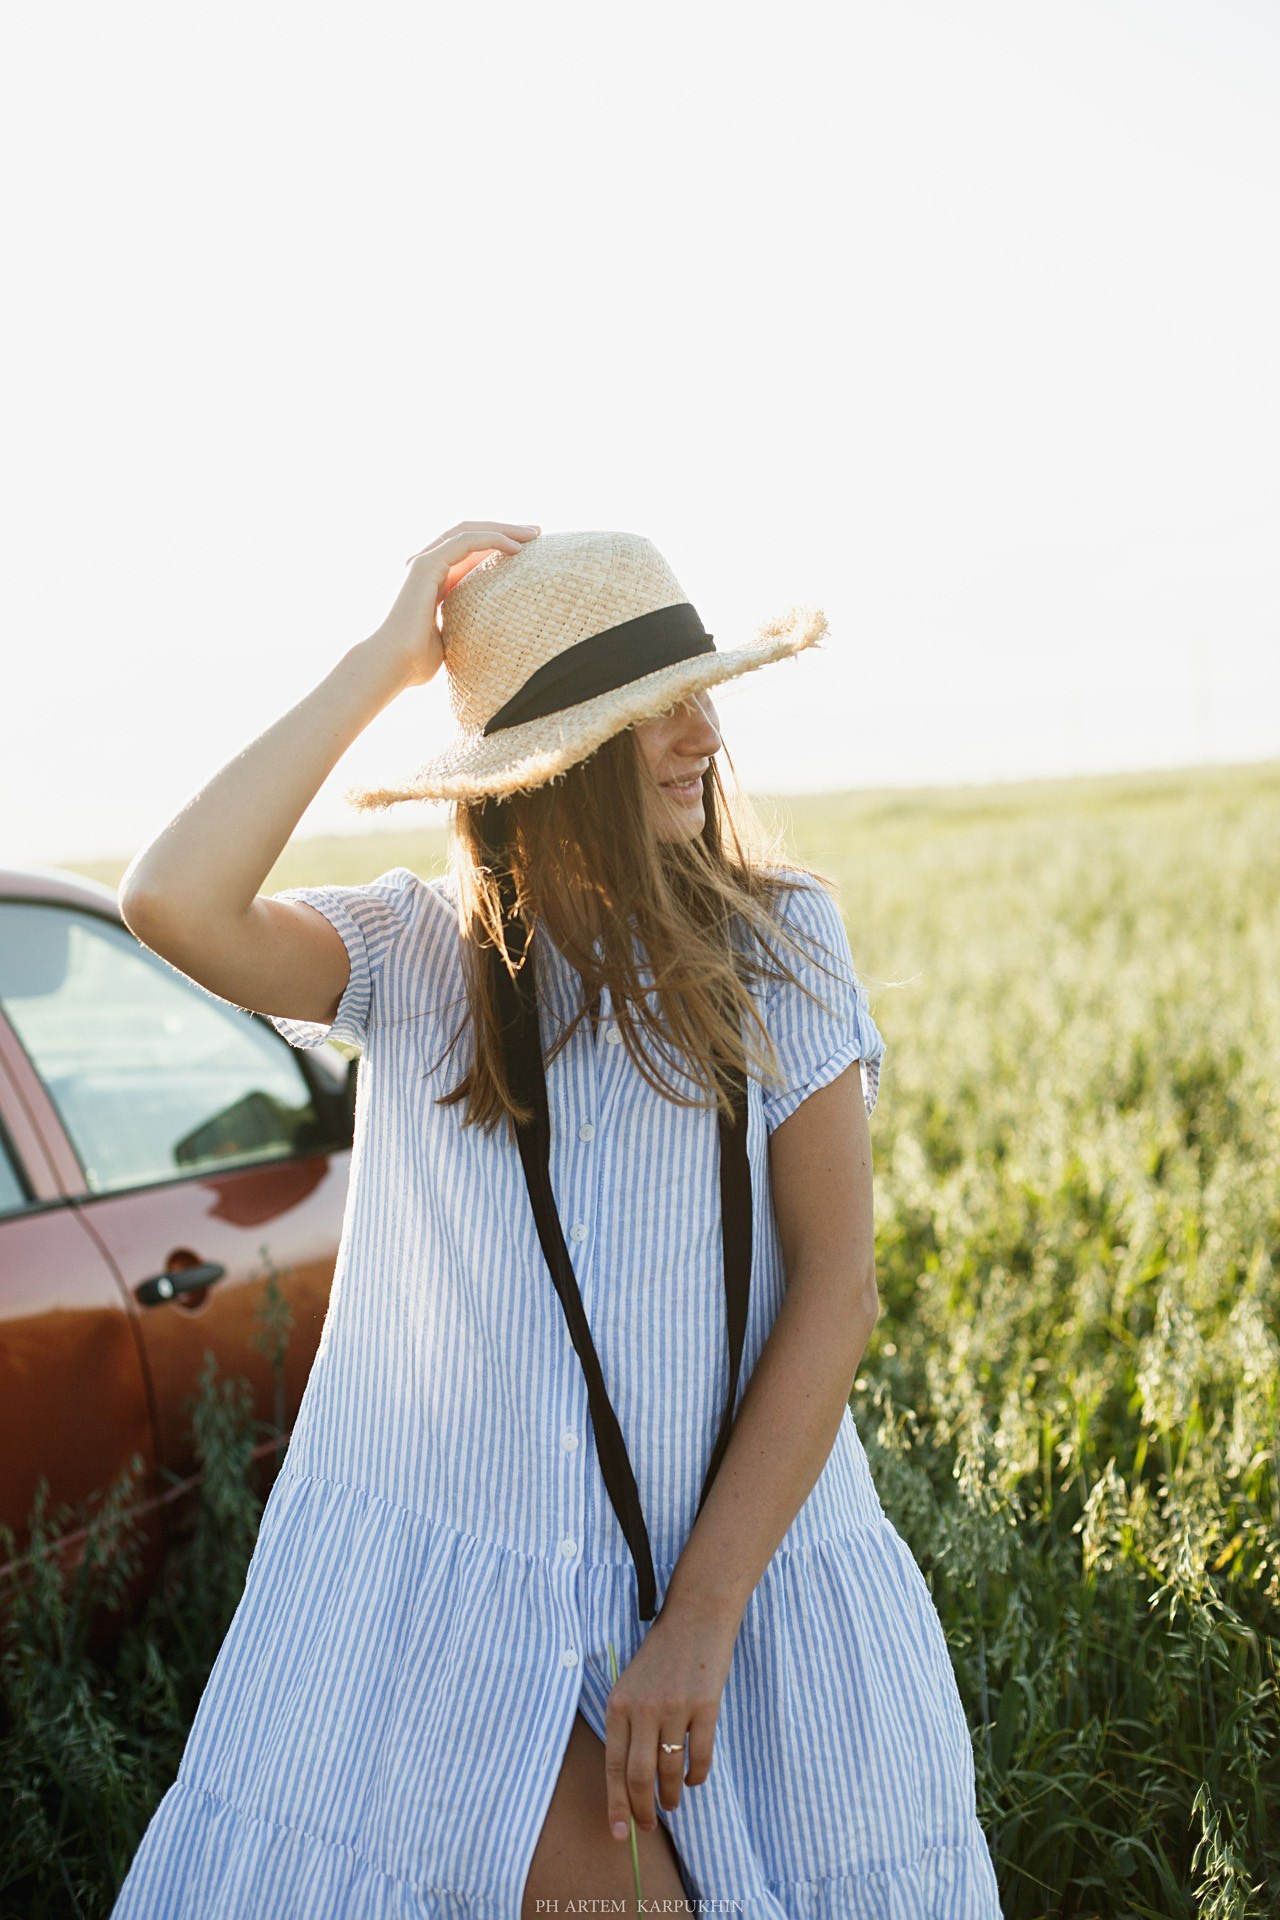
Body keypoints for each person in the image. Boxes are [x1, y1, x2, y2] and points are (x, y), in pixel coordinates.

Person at [109, 522, 1003, 1917]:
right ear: (557, 767)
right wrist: (389, 656)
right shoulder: (414, 961)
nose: (706, 734)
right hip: (464, 1630)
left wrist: (702, 1620)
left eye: (704, 692)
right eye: (657, 711)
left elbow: (837, 1289)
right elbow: (170, 899)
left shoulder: (782, 940)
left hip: (744, 1596)